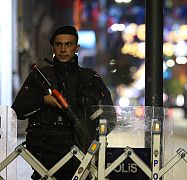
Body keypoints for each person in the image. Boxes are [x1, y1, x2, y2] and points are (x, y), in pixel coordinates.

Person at [12, 25, 115, 179]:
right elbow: (18, 110)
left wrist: (90, 132)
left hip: (81, 153)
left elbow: (110, 117)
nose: (63, 49)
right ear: (52, 47)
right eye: (59, 44)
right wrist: (43, 101)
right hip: (44, 153)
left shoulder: (90, 79)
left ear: (76, 47)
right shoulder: (39, 76)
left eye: (68, 44)